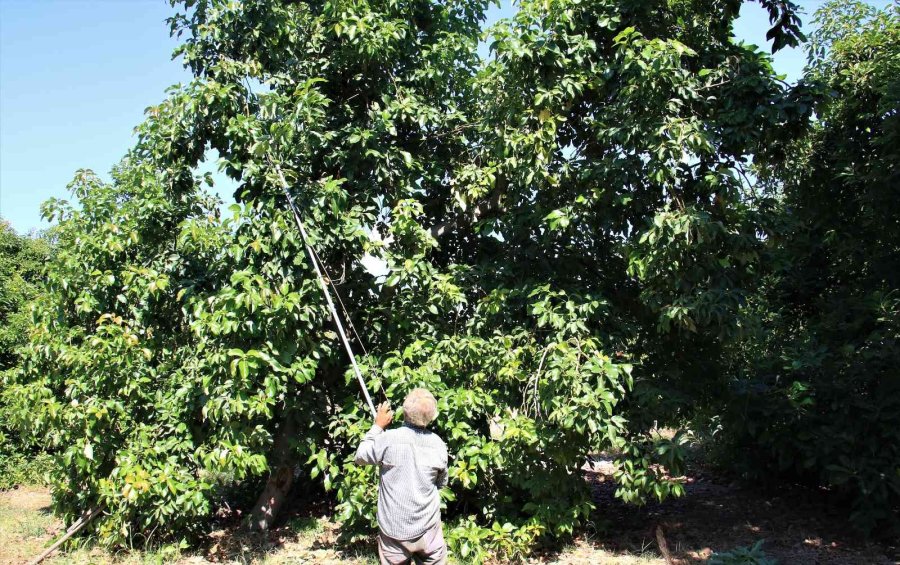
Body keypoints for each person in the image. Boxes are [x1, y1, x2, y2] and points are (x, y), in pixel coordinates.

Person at [354, 388, 449, 565]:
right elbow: (442, 482)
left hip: (394, 531)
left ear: (404, 412)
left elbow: (360, 456)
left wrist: (377, 427)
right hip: (428, 530)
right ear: (432, 417)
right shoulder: (438, 444)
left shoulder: (388, 439)